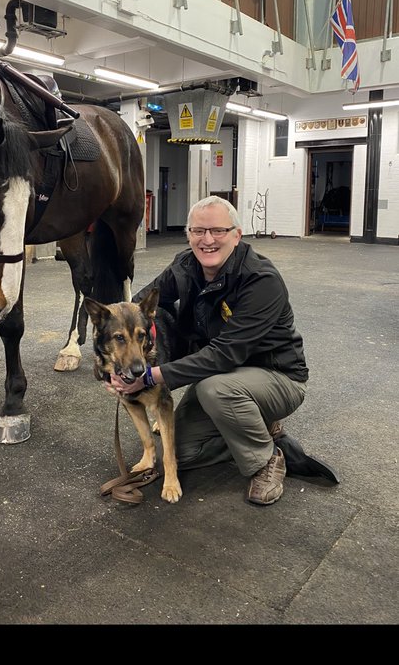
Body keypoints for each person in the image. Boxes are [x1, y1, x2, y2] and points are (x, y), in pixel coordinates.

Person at [108, 195, 337, 505]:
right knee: (182, 452)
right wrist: (123, 363)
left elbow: (225, 355)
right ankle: (258, 428)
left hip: (277, 377)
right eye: (198, 231)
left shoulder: (261, 281)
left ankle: (266, 459)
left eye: (218, 230)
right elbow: (138, 306)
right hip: (221, 374)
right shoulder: (185, 266)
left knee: (215, 391)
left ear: (237, 235)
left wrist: (149, 376)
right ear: (188, 234)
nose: (207, 240)